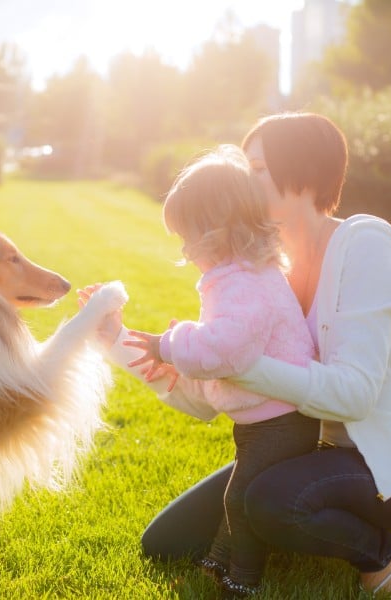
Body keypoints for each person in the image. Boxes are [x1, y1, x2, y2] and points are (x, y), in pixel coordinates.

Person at [83, 112, 391, 597]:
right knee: (165, 543)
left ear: (303, 175)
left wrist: (232, 360)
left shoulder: (364, 249)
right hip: (297, 448)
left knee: (270, 501)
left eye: (255, 169)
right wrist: (118, 339)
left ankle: (380, 552)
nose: (240, 181)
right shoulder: (258, 269)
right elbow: (210, 397)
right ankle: (296, 524)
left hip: (386, 470)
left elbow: (353, 397)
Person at [118, 143, 318, 596]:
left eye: (189, 237)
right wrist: (191, 342)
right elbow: (224, 342)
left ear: (217, 231)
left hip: (282, 424)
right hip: (265, 421)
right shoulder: (239, 274)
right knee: (239, 494)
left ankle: (241, 580)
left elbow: (230, 347)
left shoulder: (246, 281)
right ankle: (220, 559)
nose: (186, 250)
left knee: (241, 498)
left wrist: (169, 344)